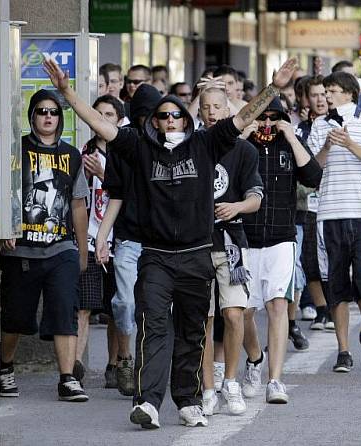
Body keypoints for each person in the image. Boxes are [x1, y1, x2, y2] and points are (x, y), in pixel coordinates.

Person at [44, 56, 301, 428]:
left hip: (198, 255)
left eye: (175, 116)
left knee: (193, 332)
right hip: (157, 257)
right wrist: (67, 93)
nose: (169, 121)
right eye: (162, 116)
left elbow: (243, 118)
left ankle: (188, 400)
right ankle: (148, 402)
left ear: (186, 119)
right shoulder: (139, 148)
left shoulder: (206, 144)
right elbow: (99, 122)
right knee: (154, 328)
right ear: (154, 122)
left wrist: (273, 88)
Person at [0, 89, 90, 403]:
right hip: (20, 250)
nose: (48, 116)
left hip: (61, 248)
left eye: (53, 111)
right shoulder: (15, 149)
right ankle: (4, 368)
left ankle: (67, 379)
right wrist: (4, 228)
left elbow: (78, 205)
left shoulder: (72, 155)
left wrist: (82, 249)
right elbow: (3, 192)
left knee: (65, 309)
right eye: (41, 111)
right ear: (32, 116)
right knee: (15, 317)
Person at [240, 97, 322, 404]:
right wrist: (244, 134)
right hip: (245, 239)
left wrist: (290, 135)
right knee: (242, 311)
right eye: (263, 116)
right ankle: (254, 359)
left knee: (277, 306)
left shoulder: (290, 144)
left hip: (281, 238)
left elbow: (314, 178)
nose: (267, 123)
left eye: (274, 118)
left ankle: (275, 380)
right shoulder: (242, 144)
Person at [307, 71, 361, 373]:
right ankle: (343, 350)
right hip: (329, 212)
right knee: (335, 283)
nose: (327, 96)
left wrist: (350, 143)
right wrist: (327, 146)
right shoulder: (318, 124)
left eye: (333, 91)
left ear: (350, 93)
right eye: (325, 91)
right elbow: (312, 172)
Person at [194, 86, 263, 416]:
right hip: (195, 245)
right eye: (205, 107)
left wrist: (237, 206)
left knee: (235, 313)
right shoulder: (191, 147)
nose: (211, 112)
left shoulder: (245, 151)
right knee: (204, 319)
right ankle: (207, 387)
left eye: (218, 106)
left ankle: (231, 380)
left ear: (228, 109)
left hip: (232, 244)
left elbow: (256, 197)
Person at [95, 84, 162, 398]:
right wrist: (101, 237)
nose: (148, 121)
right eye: (143, 115)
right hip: (129, 238)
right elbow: (117, 196)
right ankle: (125, 358)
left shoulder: (172, 145)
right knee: (124, 303)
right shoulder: (123, 146)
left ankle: (155, 367)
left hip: (165, 242)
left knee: (160, 308)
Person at [74, 95, 124, 388]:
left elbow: (130, 194)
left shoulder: (126, 153)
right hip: (90, 240)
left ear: (119, 119)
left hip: (119, 241)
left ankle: (115, 363)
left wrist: (104, 174)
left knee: (117, 309)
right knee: (84, 305)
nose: (103, 118)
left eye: (109, 114)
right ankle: (76, 366)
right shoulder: (83, 152)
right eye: (98, 113)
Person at [295, 75, 333, 330]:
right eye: (315, 95)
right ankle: (321, 309)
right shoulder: (299, 130)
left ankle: (333, 307)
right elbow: (307, 169)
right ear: (306, 99)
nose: (320, 99)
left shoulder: (341, 123)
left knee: (334, 258)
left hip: (336, 200)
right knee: (309, 259)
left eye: (324, 94)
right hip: (306, 202)